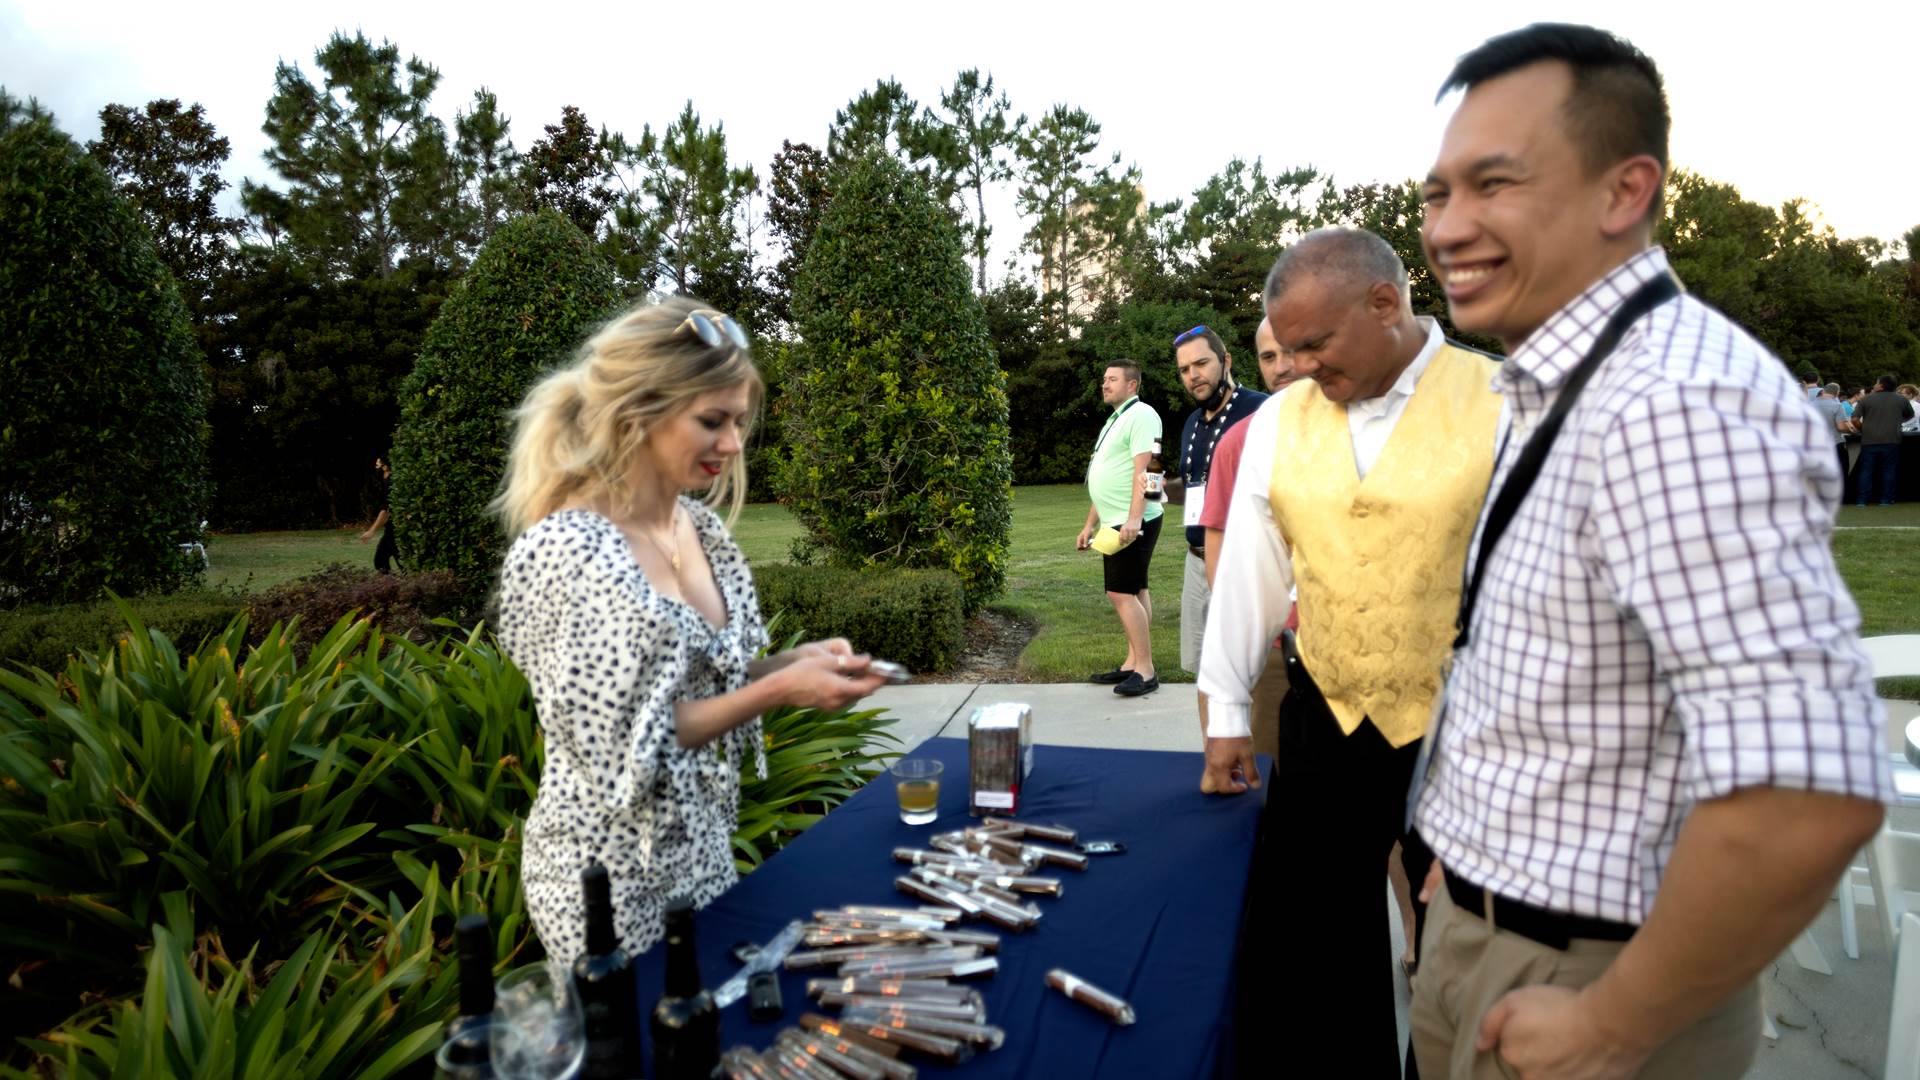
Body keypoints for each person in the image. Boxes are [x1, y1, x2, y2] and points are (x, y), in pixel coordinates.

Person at [1410, 24, 1889, 1079]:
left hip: (1579, 975)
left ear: (1625, 192)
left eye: (1494, 183)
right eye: (1438, 194)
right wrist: (1467, 852)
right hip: (1491, 922)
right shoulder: (1565, 382)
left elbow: (1806, 794)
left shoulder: (1672, 402)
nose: (1447, 227)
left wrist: (1614, 1024)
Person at [493, 297, 889, 962]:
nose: (733, 444)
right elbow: (627, 746)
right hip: (604, 878)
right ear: (640, 412)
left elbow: (702, 679)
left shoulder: (696, 527)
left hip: (704, 850)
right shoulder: (570, 551)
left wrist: (791, 663)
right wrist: (778, 691)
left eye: (738, 422)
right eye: (712, 421)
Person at [1199, 227, 1504, 1077]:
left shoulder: (1506, 400)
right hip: (1326, 716)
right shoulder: (1275, 423)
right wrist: (1226, 712)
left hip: (1470, 734)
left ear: (1385, 302)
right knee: (1312, 951)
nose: (1296, 367)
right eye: (1285, 349)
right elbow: (1253, 571)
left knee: (1464, 956)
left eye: (1314, 345)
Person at [1193, 316, 1297, 791]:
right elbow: (1219, 545)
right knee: (1276, 794)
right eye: (1269, 356)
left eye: (1291, 351)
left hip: (1369, 653)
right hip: (1278, 647)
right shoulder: (1242, 441)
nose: (1281, 367)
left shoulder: (1363, 430)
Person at [1161, 325, 1265, 750]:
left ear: (1226, 361)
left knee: (1251, 674)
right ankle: (1213, 759)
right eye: (1184, 369)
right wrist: (1157, 491)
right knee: (1205, 671)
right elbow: (1196, 488)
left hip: (1245, 565)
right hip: (1196, 561)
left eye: (1201, 363)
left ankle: (1258, 765)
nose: (1193, 375)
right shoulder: (1191, 423)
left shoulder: (1261, 411)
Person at [1077, 360, 1164, 697]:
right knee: (1136, 590)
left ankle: (1145, 670)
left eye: (1112, 379)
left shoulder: (1142, 415)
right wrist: (1089, 524)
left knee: (1120, 592)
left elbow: (1150, 470)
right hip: (1115, 520)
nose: (1104, 384)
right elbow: (1107, 475)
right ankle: (1132, 663)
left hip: (1133, 521)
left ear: (1132, 385)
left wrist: (1134, 519)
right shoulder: (1115, 419)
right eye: (1104, 379)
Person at [1850, 374, 1914, 506]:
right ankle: (1885, 499)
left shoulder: (1867, 399)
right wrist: (1897, 421)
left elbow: (1854, 419)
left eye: (1876, 382)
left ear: (1881, 386)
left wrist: (1863, 429)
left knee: (1866, 470)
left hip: (1869, 440)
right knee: (1889, 470)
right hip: (1892, 439)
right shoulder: (1901, 399)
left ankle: (1862, 500)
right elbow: (1910, 415)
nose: (1874, 385)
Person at [1808, 383, 1850, 508]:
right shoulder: (1837, 406)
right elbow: (1841, 427)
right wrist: (1850, 430)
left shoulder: (1809, 405)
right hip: (1834, 442)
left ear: (1823, 391)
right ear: (1837, 393)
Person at [357, 456, 398, 573]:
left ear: (385, 466)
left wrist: (371, 531)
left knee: (401, 563)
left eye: (378, 464)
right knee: (380, 562)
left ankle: (415, 583)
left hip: (396, 530)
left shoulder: (391, 483)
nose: (375, 467)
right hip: (390, 530)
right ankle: (391, 583)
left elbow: (386, 511)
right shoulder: (385, 481)